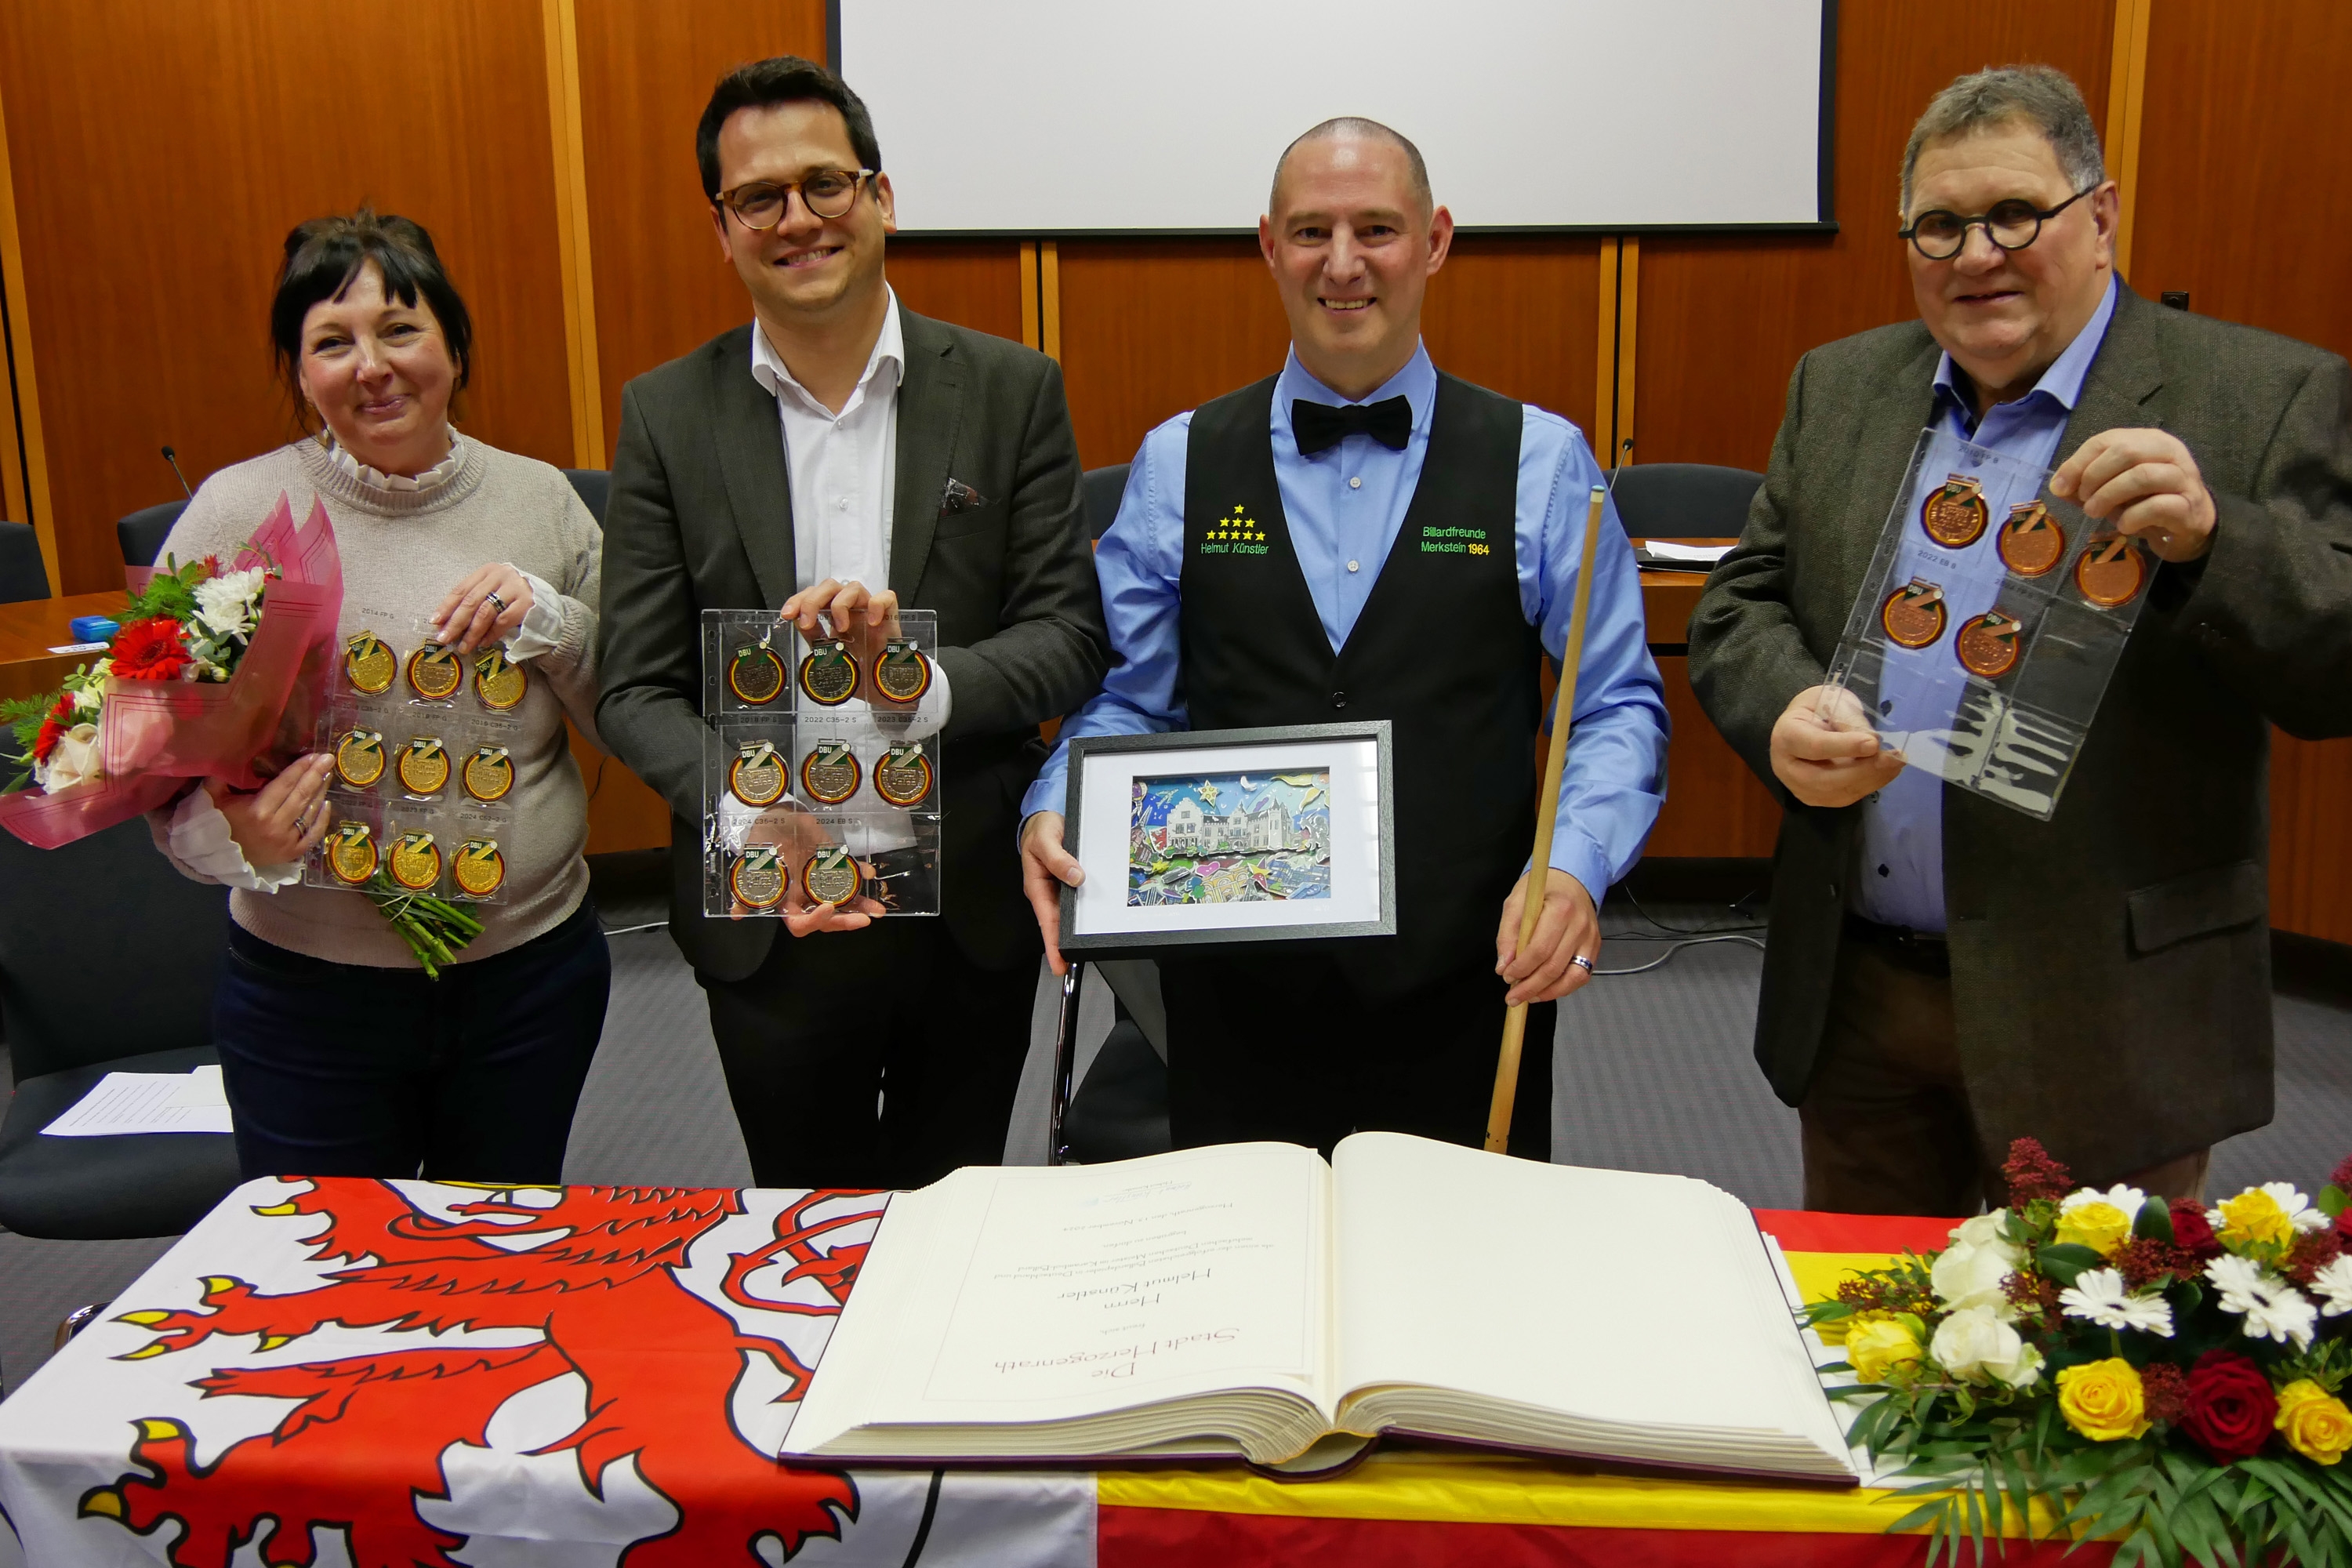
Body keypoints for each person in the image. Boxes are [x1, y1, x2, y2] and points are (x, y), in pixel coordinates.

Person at [1687, 66, 2352, 1215]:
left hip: (2106, 1011)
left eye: (2013, 214)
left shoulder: (2264, 394)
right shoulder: (1840, 387)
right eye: (1939, 225)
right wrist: (1783, 707)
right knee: (1861, 1352)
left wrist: (2214, 540)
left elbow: (2336, 672)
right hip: (1862, 1003)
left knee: (2066, 1370)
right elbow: (1743, 600)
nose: (1975, 253)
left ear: (2099, 217)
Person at [1018, 118, 1669, 1160]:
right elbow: (1132, 697)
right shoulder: (1178, 462)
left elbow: (1614, 704)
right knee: (1243, 1291)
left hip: (1468, 980)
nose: (1345, 263)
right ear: (1269, 246)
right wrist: (1059, 801)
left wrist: (1577, 868)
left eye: (1378, 229)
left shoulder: (1541, 462)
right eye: (1313, 231)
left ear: (1436, 241)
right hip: (1235, 991)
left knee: (1452, 1290)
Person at [596, 57, 1109, 1189]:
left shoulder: (1010, 388)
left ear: (881, 195)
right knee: (802, 1236)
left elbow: (1070, 634)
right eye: (758, 198)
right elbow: (630, 686)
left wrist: (912, 682)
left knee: (954, 1219)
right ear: (721, 225)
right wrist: (749, 812)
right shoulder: (665, 414)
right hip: (770, 912)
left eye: (825, 184)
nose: (798, 219)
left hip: (963, 908)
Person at [152, 209, 610, 1183]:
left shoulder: (542, 501)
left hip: (529, 977)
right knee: (331, 1277)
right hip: (309, 996)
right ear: (298, 368)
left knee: (498, 1261)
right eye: (332, 341)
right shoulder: (236, 514)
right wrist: (232, 840)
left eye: (400, 329)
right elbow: (157, 773)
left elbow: (628, 708)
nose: (372, 365)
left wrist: (550, 619)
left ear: (453, 341)